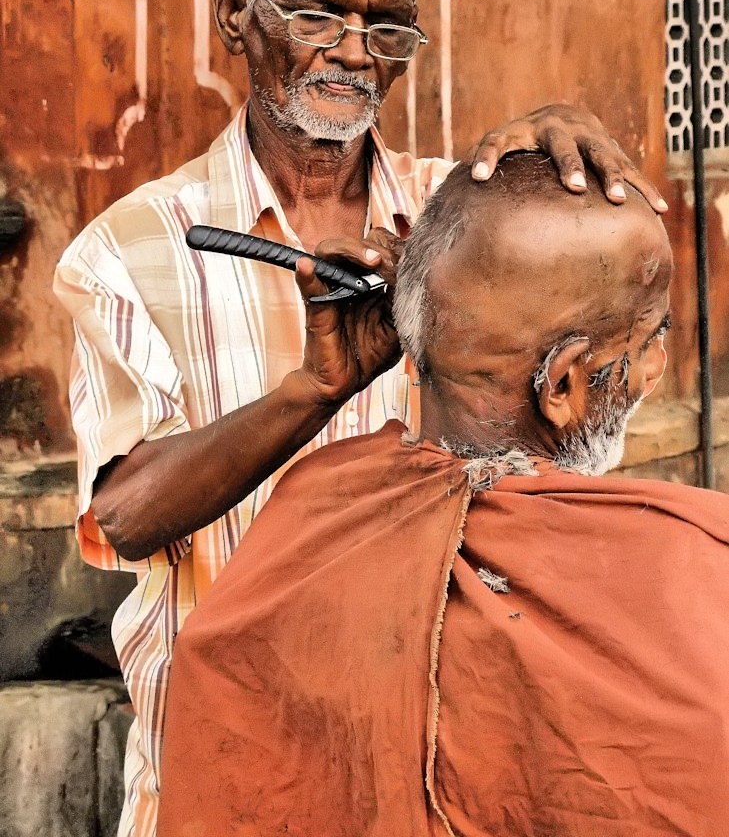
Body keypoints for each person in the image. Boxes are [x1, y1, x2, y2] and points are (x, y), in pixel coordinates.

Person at [53, 0, 667, 837]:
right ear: (233, 16)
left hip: (423, 785)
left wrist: (566, 190)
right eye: (313, 12)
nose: (350, 50)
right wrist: (316, 386)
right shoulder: (128, 253)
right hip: (223, 788)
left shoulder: (460, 223)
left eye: (386, 26)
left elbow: (578, 421)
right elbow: (121, 516)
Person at [158, 155, 729, 837]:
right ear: (562, 386)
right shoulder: (700, 566)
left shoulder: (312, 508)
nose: (656, 366)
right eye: (647, 340)